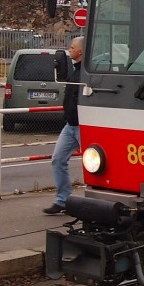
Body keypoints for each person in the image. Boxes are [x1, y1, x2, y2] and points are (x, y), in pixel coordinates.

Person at [43, 36, 83, 215]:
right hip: (70, 125)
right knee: (58, 159)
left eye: (72, 47)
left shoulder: (86, 73)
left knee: (97, 164)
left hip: (83, 126)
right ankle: (63, 200)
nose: (69, 50)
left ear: (80, 51)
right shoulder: (74, 71)